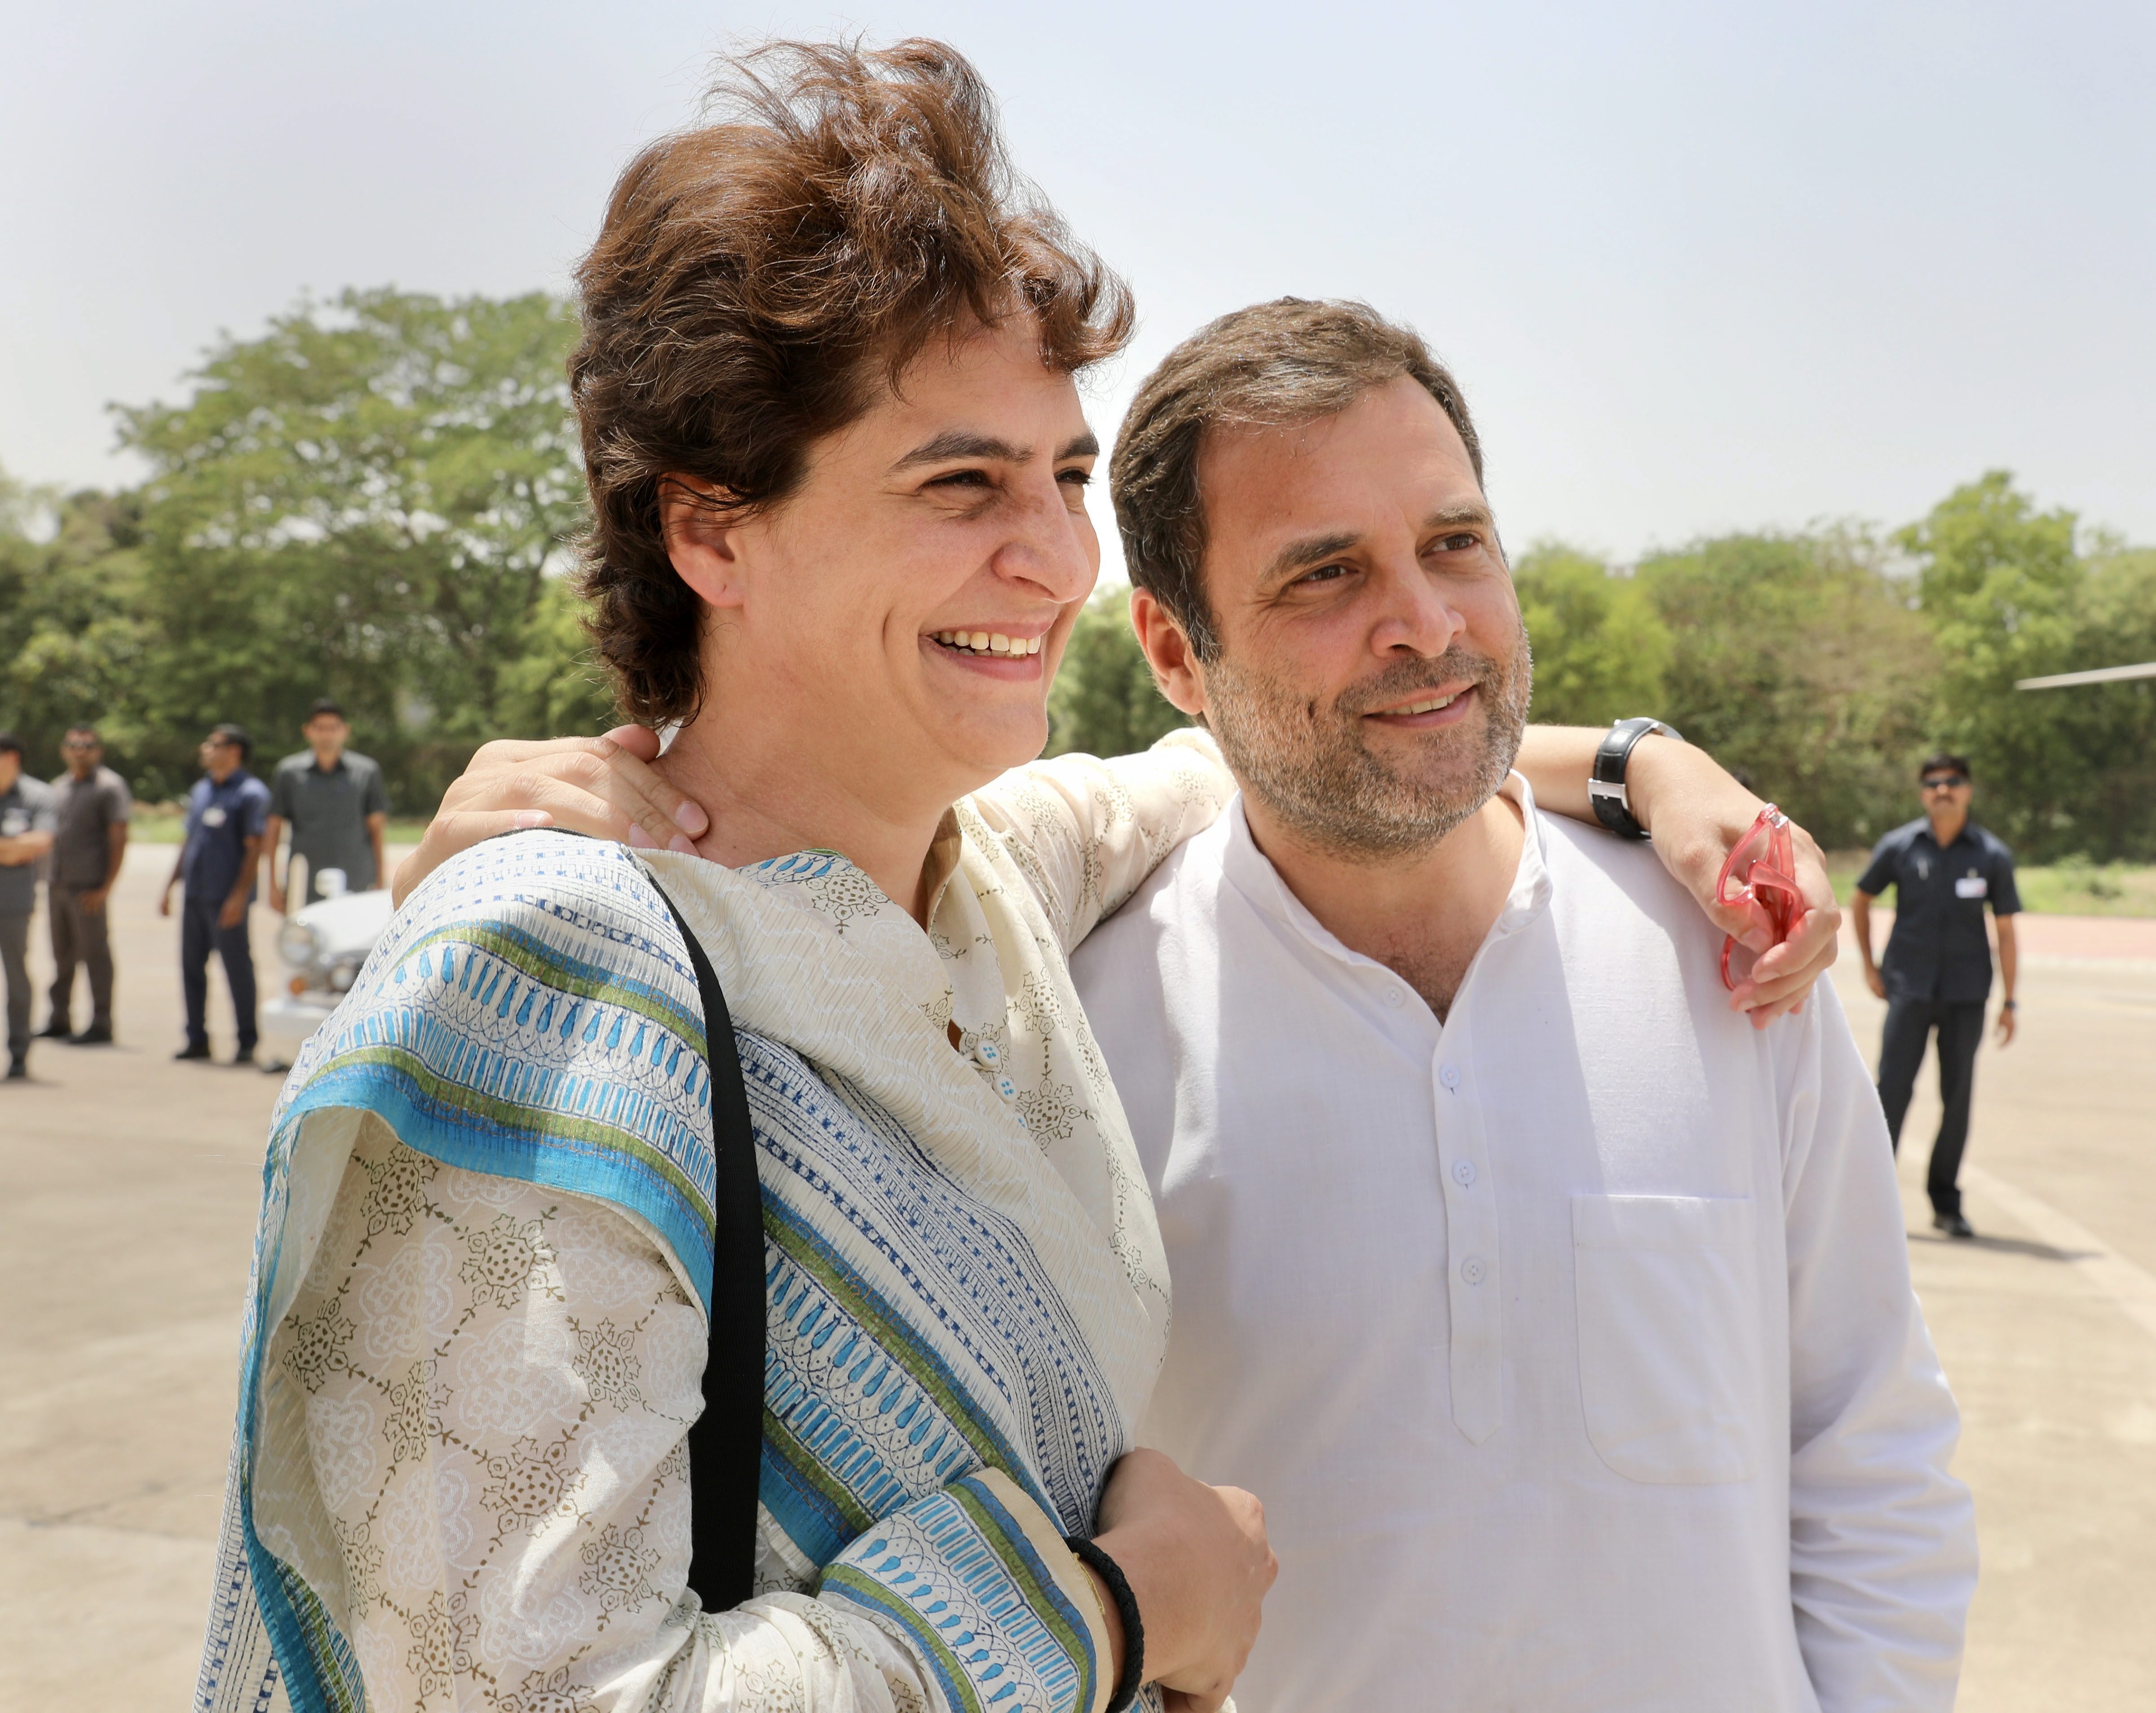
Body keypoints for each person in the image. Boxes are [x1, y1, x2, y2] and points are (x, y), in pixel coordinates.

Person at [205, 45, 1838, 1713]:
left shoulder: (987, 882)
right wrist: (1104, 1611)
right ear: (711, 533)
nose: (1057, 559)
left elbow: (1292, 738)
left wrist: (1642, 767)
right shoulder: (551, 982)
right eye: (960, 481)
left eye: (1063, 476)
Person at [429, 300, 1962, 1713]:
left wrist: (1641, 758)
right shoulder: (1049, 1017)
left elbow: (1871, 1452)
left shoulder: (1736, 957)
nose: (1425, 621)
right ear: (1173, 651)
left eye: (1457, 541)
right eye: (1324, 574)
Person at [1852, 751, 2020, 1239]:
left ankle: (1947, 1204)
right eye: (1932, 783)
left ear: (1968, 789)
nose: (1942, 790)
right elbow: (1861, 899)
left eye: (1952, 782)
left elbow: (2006, 931)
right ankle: (1869, 1205)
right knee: (1892, 1091)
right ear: (1922, 792)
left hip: (1967, 993)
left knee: (1958, 1097)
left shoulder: (1991, 855)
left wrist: (2010, 1001)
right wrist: (1869, 963)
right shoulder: (1901, 846)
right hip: (1909, 988)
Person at [160, 723, 269, 1064]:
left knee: (237, 969)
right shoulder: (202, 789)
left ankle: (247, 1041)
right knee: (191, 968)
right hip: (195, 895)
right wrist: (169, 886)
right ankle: (197, 1038)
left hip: (226, 900)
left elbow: (255, 850)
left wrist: (239, 897)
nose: (206, 749)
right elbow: (189, 842)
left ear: (234, 751)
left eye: (214, 744)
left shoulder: (251, 793)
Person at [41, 724, 130, 1045]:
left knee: (95, 955)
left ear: (98, 750)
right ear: (64, 749)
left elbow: (119, 838)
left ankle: (101, 1023)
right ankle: (59, 1017)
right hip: (58, 884)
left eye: (87, 744)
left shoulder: (109, 787)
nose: (80, 749)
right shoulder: (58, 787)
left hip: (89, 887)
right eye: (73, 743)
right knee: (61, 955)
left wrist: (106, 887)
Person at [262, 697, 389, 910]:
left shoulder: (367, 772)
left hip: (356, 881)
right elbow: (274, 828)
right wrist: (273, 886)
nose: (327, 735)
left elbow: (376, 829)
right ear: (308, 731)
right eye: (320, 728)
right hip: (304, 883)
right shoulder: (289, 773)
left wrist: (380, 880)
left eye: (333, 728)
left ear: (345, 730)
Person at [0, 732, 58, 1079]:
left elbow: (42, 841)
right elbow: (23, 846)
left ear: (12, 758)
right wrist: (12, 849)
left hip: (14, 904)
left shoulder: (38, 795)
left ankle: (19, 1053)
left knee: (17, 979)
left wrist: (18, 849)